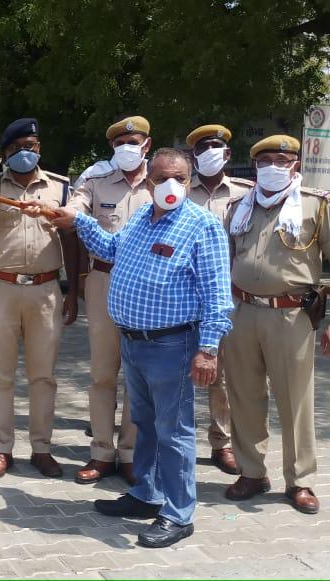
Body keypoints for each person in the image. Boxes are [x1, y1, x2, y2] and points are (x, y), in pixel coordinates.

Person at [46, 147, 233, 548]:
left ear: (188, 180)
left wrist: (208, 349)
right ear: (148, 180)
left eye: (179, 178)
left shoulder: (202, 226)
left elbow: (218, 294)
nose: (169, 185)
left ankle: (179, 513)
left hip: (173, 345)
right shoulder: (141, 221)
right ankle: (146, 494)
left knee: (174, 431)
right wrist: (78, 220)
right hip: (134, 342)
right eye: (161, 177)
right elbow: (112, 250)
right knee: (143, 426)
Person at [222, 135, 330, 515]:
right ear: (255, 165)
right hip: (242, 311)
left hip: (291, 314)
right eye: (265, 161)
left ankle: (300, 480)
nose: (273, 167)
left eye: (281, 160)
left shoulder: (316, 205)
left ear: (294, 165)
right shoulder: (239, 207)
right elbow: (226, 261)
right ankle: (251, 472)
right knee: (244, 396)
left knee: (295, 400)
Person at [0, 117, 80, 480]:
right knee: (0, 376)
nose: (23, 154)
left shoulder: (60, 189)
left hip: (46, 290)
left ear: (38, 148)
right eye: (15, 150)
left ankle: (42, 449)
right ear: (5, 154)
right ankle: (2, 449)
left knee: (43, 377)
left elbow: (72, 236)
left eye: (29, 147)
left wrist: (74, 291)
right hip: (0, 289)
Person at [66, 115, 153, 486]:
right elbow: (75, 209)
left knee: (139, 375)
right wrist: (65, 214)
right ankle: (101, 452)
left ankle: (131, 453)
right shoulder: (95, 182)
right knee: (103, 373)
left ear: (147, 145)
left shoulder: (163, 185)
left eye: (133, 142)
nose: (127, 149)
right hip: (103, 279)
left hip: (150, 287)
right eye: (120, 144)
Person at [185, 124, 252, 475]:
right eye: (201, 148)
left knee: (222, 375)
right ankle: (171, 442)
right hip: (181, 295)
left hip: (224, 297)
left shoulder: (246, 193)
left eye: (214, 146)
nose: (208, 152)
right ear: (193, 156)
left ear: (227, 154)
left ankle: (221, 443)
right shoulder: (178, 191)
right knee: (175, 370)